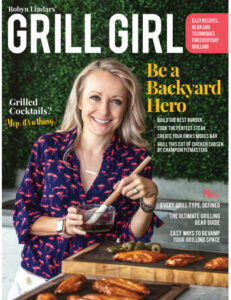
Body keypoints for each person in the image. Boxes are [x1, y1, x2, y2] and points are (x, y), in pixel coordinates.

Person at [8, 58, 163, 299]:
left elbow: (131, 237)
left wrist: (150, 199)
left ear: (126, 109)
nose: (104, 110)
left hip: (99, 284)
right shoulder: (48, 147)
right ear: (79, 100)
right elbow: (23, 214)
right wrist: (63, 225)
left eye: (116, 101)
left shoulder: (135, 160)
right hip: (37, 279)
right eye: (95, 97)